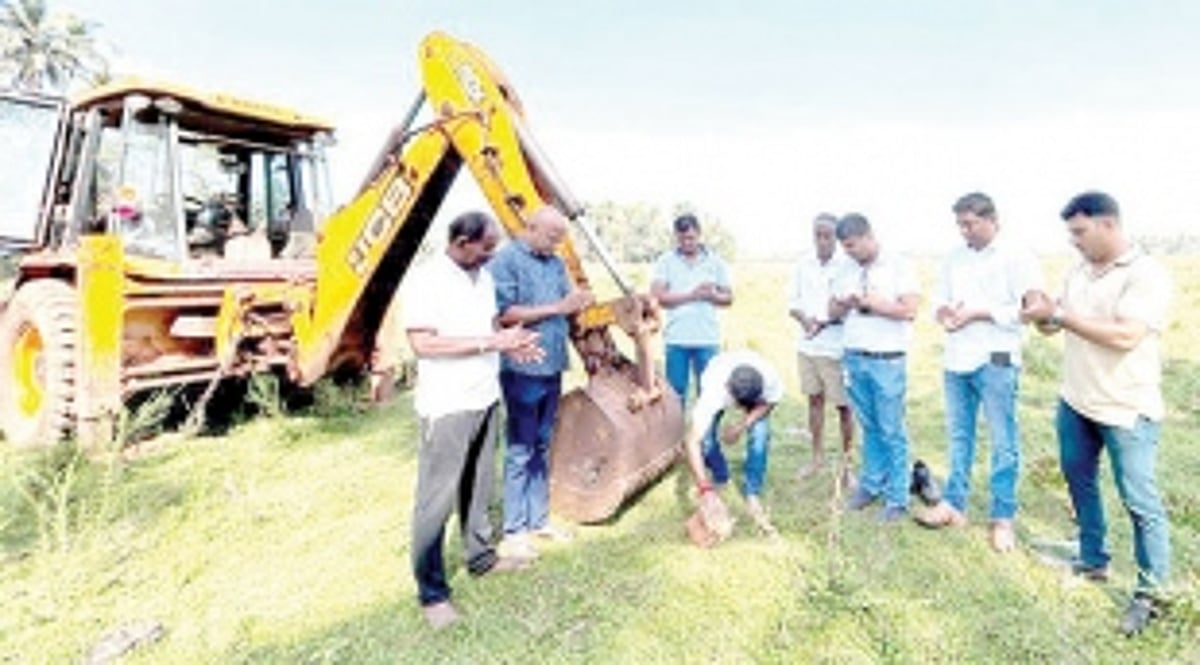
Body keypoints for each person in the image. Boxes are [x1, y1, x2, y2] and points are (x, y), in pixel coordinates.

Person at [1021, 191, 1173, 636]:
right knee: (1079, 482)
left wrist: (1062, 316)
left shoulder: (1145, 275)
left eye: (1079, 232)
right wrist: (1039, 312)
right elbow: (1055, 325)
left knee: (1140, 502)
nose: (1073, 241)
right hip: (1077, 400)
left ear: (1108, 225)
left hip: (1126, 407)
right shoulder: (1079, 270)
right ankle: (1092, 559)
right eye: (1070, 233)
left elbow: (1127, 335)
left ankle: (1151, 594)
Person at [402, 210, 544, 630]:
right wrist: (490, 340)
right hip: (446, 405)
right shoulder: (428, 279)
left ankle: (480, 558)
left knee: (479, 488)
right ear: (461, 242)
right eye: (485, 247)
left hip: (484, 397)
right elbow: (423, 343)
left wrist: (509, 345)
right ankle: (432, 594)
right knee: (436, 501)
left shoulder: (483, 278)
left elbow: (488, 327)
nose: (491, 254)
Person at [915, 193, 1044, 553]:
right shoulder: (953, 258)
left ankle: (1002, 517)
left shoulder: (1018, 256)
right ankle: (954, 505)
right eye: (960, 224)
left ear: (993, 220)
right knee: (960, 436)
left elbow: (1029, 309)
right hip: (957, 357)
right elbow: (939, 299)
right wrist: (944, 314)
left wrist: (977, 313)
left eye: (969, 224)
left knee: (1003, 441)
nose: (964, 231)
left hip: (997, 356)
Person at [489, 205, 594, 561]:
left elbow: (566, 305)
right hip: (521, 367)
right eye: (552, 237)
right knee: (520, 449)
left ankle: (538, 520)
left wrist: (579, 303)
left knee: (543, 444)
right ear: (530, 227)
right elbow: (504, 315)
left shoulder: (556, 263)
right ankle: (515, 530)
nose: (556, 244)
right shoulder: (505, 261)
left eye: (561, 239)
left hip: (552, 365)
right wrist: (558, 307)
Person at [830, 214, 920, 523]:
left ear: (868, 236)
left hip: (887, 359)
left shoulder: (898, 265)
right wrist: (845, 303)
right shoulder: (844, 269)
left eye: (853, 246)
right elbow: (831, 310)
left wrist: (871, 304)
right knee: (869, 426)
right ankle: (870, 485)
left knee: (891, 429)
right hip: (855, 356)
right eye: (845, 247)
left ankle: (898, 497)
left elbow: (909, 309)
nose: (849, 252)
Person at [681, 349, 784, 536]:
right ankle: (720, 477)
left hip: (754, 386)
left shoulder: (770, 378)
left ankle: (752, 491)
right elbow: (691, 441)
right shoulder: (714, 390)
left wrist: (742, 425)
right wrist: (704, 488)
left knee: (760, 434)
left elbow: (770, 403)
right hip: (717, 373)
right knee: (707, 440)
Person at [789, 213, 855, 486]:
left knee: (844, 407)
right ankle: (816, 458)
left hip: (836, 347)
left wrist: (826, 321)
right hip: (807, 345)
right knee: (814, 401)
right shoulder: (803, 264)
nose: (823, 241)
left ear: (837, 238)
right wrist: (806, 322)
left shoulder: (847, 266)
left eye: (829, 235)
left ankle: (847, 466)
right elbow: (793, 302)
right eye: (818, 235)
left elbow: (850, 306)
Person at [651, 213, 733, 405]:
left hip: (707, 339)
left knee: (709, 394)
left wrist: (712, 296)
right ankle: (677, 435)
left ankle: (707, 436)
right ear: (676, 237)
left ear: (699, 234)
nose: (687, 243)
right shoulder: (665, 261)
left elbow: (729, 298)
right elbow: (657, 297)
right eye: (682, 239)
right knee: (676, 394)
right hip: (677, 339)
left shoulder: (716, 263)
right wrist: (693, 295)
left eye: (691, 238)